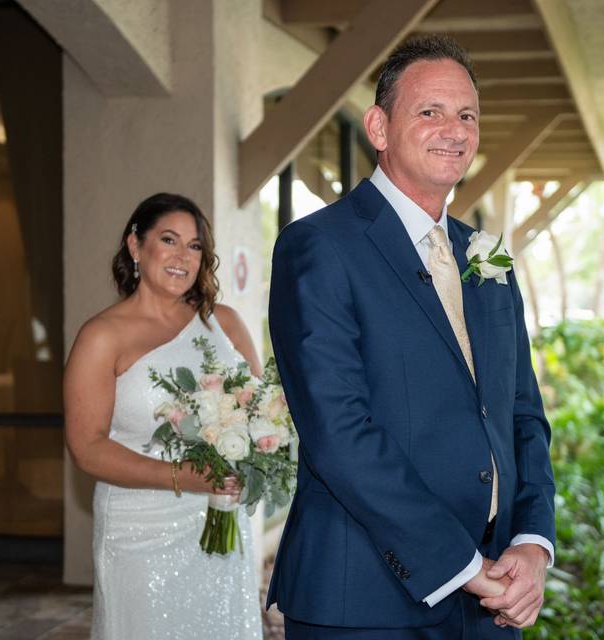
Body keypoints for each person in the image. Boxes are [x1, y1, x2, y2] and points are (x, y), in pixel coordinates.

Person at [267, 35, 556, 638]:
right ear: (378, 126)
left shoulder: (488, 257)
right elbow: (338, 432)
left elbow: (522, 414)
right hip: (366, 597)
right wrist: (457, 562)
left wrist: (532, 542)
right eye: (431, 111)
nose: (454, 129)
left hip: (491, 599)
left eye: (467, 115)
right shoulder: (319, 247)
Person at [64, 193, 263, 640]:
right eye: (169, 240)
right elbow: (86, 446)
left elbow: (261, 408)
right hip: (139, 529)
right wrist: (181, 475)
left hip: (221, 517)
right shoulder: (102, 336)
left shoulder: (224, 323)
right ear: (135, 246)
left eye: (194, 246)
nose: (183, 256)